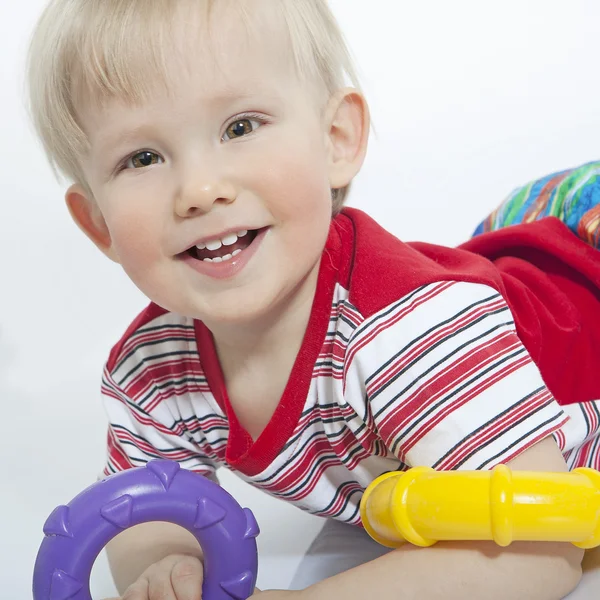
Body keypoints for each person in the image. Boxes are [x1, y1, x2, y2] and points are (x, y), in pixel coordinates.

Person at [25, 1, 600, 599]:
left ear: (335, 139)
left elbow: (541, 552)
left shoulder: (405, 329)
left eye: (240, 127)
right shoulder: (152, 372)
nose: (198, 190)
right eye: (142, 158)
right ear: (98, 225)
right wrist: (168, 566)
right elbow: (141, 514)